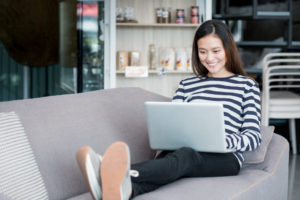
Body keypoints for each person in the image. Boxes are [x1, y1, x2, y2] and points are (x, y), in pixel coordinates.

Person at [76, 19, 261, 200]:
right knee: (173, 158)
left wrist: (222, 141)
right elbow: (172, 124)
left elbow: (253, 136)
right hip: (183, 151)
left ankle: (109, 172)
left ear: (228, 49)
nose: (209, 58)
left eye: (216, 51)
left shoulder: (247, 86)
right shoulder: (187, 84)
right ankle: (123, 191)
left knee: (185, 156)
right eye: (203, 51)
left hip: (225, 158)